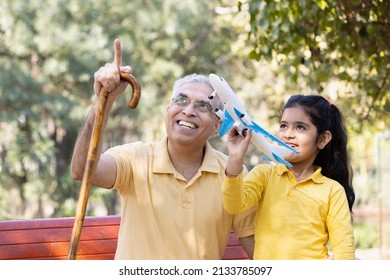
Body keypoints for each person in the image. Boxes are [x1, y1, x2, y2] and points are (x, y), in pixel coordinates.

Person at [71, 39, 255, 259]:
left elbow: (255, 246)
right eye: (181, 100)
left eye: (203, 106)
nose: (188, 110)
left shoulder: (233, 173)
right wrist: (104, 102)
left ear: (217, 125)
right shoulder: (136, 158)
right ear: (168, 111)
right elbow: (82, 171)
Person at [222, 94, 356, 260]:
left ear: (322, 139)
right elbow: (233, 205)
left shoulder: (332, 191)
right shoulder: (264, 175)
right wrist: (235, 158)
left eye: (300, 127)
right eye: (284, 126)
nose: (288, 134)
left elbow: (345, 251)